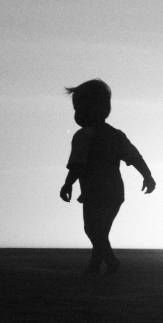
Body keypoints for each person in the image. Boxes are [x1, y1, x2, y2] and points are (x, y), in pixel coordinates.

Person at [60, 79, 155, 275]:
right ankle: (95, 266)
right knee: (100, 231)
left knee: (93, 230)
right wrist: (147, 176)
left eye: (79, 109)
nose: (77, 114)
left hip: (95, 193)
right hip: (114, 192)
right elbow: (134, 157)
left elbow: (77, 165)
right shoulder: (116, 135)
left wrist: (67, 184)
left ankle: (111, 261)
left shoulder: (83, 136)